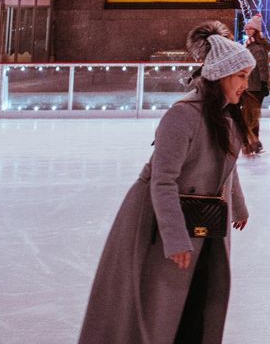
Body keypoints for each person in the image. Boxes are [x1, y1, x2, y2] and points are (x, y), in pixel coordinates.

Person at [78, 23, 253, 344]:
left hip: (204, 220)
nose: (246, 84)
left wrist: (239, 206)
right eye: (240, 75)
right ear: (220, 75)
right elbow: (162, 181)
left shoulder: (225, 117)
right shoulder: (182, 116)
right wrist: (174, 239)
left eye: (246, 75)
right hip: (158, 222)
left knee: (198, 300)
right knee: (155, 308)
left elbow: (226, 167)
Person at [241, 15, 270, 154]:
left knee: (251, 115)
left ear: (256, 30)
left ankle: (253, 143)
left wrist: (264, 84)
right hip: (250, 85)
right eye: (246, 28)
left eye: (250, 28)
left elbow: (263, 67)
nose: (247, 30)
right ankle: (252, 142)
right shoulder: (249, 45)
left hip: (255, 87)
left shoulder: (257, 48)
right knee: (249, 115)